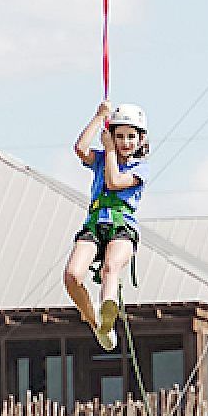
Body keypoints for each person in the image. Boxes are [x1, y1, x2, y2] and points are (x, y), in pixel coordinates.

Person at [64, 101, 150, 351]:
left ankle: (108, 306)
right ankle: (97, 323)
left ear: (141, 139)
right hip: (95, 223)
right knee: (72, 276)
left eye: (131, 137)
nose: (125, 142)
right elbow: (80, 148)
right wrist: (98, 116)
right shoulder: (101, 158)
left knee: (110, 267)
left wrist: (110, 150)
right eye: (120, 136)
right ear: (111, 135)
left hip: (122, 226)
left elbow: (113, 182)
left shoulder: (140, 168)